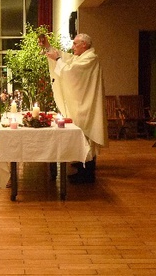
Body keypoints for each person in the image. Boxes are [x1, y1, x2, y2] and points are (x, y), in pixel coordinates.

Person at [39, 33, 108, 184]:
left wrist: (57, 59)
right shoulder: (81, 57)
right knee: (80, 135)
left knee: (85, 135)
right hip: (80, 103)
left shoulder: (91, 58)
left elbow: (71, 71)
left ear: (84, 44)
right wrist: (48, 47)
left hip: (86, 105)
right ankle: (82, 165)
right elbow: (66, 59)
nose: (72, 47)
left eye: (75, 44)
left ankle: (87, 173)